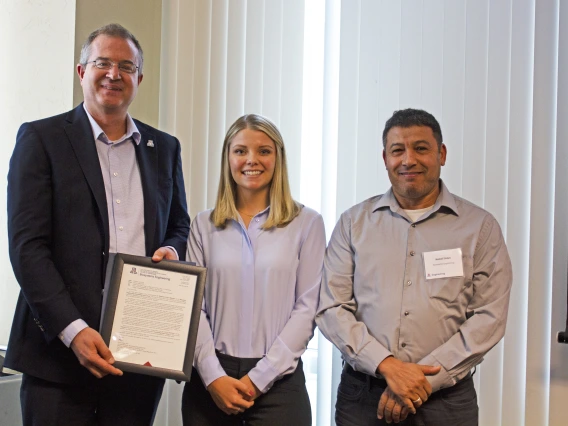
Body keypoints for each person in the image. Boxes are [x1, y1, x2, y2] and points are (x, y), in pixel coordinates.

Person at [4, 23, 190, 426]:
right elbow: (26, 247)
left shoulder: (165, 148)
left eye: (126, 66)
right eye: (102, 63)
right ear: (81, 71)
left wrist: (171, 251)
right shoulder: (41, 139)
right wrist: (73, 331)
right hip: (57, 356)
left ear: (139, 78)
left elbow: (178, 224)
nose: (113, 74)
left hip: (138, 358)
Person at [316, 108, 512, 425]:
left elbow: (489, 316)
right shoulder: (353, 223)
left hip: (447, 402)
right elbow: (331, 306)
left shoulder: (480, 228)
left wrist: (421, 382)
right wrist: (388, 366)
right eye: (398, 150)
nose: (408, 160)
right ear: (385, 158)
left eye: (420, 148)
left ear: (441, 153)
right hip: (363, 397)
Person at [182, 114, 325, 426]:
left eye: (264, 151)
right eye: (240, 151)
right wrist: (212, 375)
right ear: (227, 158)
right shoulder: (204, 225)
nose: (252, 160)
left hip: (280, 385)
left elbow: (308, 308)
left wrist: (259, 378)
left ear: (278, 158)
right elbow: (194, 309)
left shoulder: (307, 224)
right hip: (210, 381)